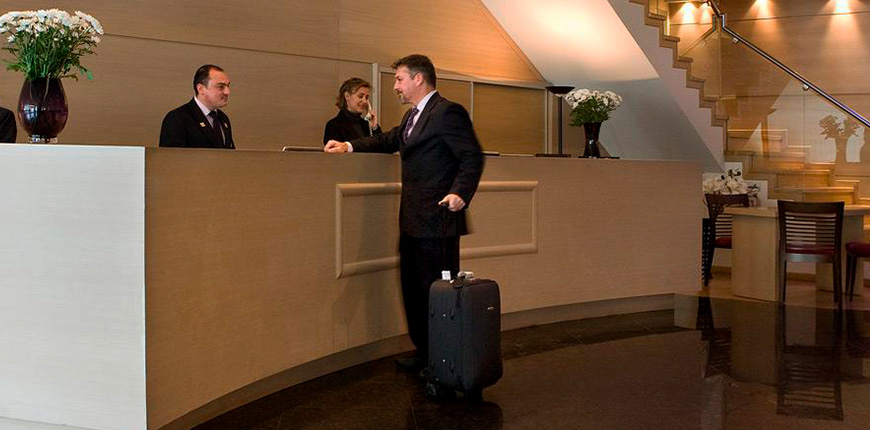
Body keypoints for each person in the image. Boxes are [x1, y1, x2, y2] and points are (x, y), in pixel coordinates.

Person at [324, 54, 484, 373]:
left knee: (436, 295)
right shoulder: (413, 115)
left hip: (438, 222)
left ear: (418, 79)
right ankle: (425, 352)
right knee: (413, 292)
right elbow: (389, 139)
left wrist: (459, 193)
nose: (395, 86)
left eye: (399, 79)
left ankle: (443, 360)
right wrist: (348, 146)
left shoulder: (447, 112)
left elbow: (472, 157)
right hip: (412, 221)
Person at [160, 64, 235, 149]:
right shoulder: (177, 118)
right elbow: (171, 156)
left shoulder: (223, 118)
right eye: (221, 87)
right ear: (201, 89)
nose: (227, 92)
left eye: (228, 86)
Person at [323, 77, 381, 144]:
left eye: (366, 97)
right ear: (347, 96)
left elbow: (382, 147)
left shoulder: (366, 124)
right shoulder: (334, 125)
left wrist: (374, 127)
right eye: (360, 96)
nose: (365, 101)